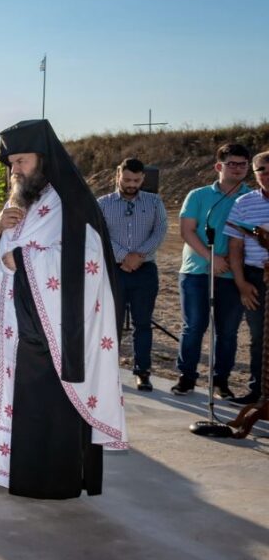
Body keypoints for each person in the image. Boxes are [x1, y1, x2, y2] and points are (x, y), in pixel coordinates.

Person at [0, 119, 127, 500]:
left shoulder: (70, 201)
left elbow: (87, 261)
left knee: (46, 406)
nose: (14, 170)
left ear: (43, 157)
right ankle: (10, 470)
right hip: (15, 326)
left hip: (52, 328)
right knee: (20, 403)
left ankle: (50, 480)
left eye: (21, 161)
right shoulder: (21, 200)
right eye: (11, 163)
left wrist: (23, 260)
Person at [171, 144, 252, 397]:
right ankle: (187, 377)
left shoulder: (252, 197)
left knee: (227, 331)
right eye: (232, 163)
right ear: (219, 166)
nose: (238, 168)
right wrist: (211, 257)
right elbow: (187, 231)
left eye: (243, 164)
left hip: (233, 274)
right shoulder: (198, 195)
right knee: (194, 326)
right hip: (197, 271)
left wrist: (232, 259)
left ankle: (221, 381)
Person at [97, 158, 168, 392]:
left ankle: (142, 372)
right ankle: (109, 372)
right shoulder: (103, 204)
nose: (131, 184)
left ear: (143, 179)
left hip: (144, 271)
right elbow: (100, 234)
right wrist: (123, 256)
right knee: (111, 323)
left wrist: (139, 256)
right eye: (127, 179)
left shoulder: (154, 201)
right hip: (114, 271)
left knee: (142, 323)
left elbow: (159, 231)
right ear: (118, 176)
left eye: (136, 180)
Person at [225, 150, 269, 405]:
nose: (267, 175)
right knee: (259, 337)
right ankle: (258, 391)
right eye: (261, 170)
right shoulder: (244, 203)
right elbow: (235, 247)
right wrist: (242, 284)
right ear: (254, 174)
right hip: (254, 278)